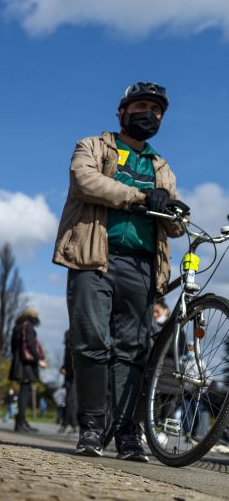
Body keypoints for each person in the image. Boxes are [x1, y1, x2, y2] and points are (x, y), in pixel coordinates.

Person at [53, 82, 188, 461]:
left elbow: (175, 223)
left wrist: (176, 209)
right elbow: (85, 182)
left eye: (157, 110)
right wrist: (142, 198)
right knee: (91, 342)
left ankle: (127, 433)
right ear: (123, 112)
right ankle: (93, 427)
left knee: (133, 351)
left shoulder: (161, 166)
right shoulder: (92, 146)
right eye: (142, 106)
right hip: (95, 257)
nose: (150, 114)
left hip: (143, 266)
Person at [9, 308, 47, 433]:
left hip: (18, 363)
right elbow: (30, 345)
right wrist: (39, 359)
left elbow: (13, 347)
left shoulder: (17, 327)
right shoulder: (28, 327)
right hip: (26, 365)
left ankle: (22, 422)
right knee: (24, 394)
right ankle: (20, 423)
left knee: (23, 393)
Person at [59, 330, 78, 434]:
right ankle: (68, 423)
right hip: (69, 375)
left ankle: (71, 424)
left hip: (75, 374)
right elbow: (66, 359)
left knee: (72, 400)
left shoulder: (75, 343)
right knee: (68, 400)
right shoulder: (68, 345)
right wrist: (63, 367)